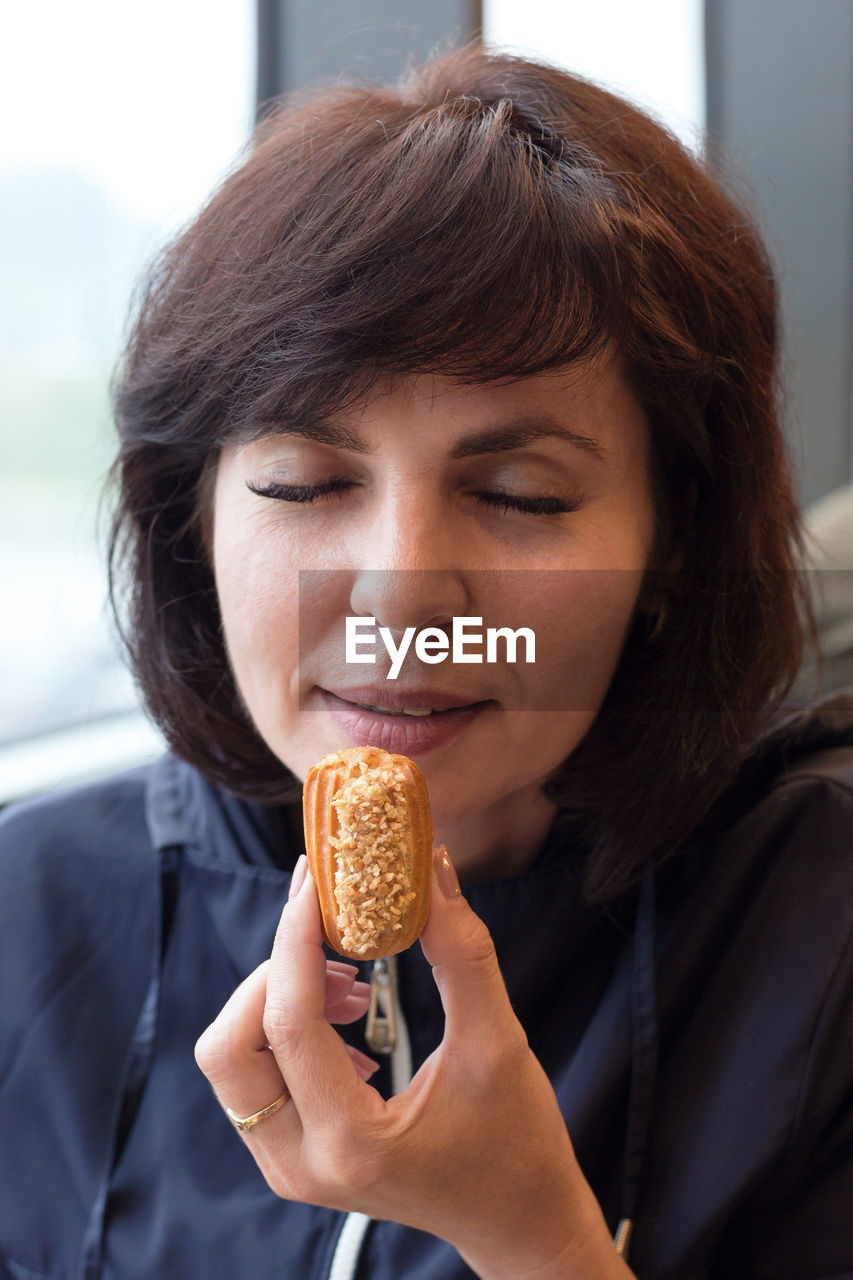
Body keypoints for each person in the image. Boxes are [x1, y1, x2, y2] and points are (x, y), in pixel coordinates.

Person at [2, 43, 853, 1280]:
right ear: (192, 520)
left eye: (518, 494)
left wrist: (529, 1237)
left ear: (673, 543)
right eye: (305, 480)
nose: (404, 591)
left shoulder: (814, 923)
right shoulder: (35, 910)